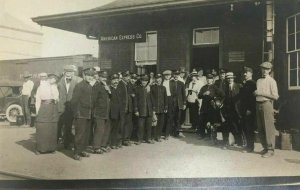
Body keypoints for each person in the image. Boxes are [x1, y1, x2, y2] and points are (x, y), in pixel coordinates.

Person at [255, 62, 279, 158]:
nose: (264, 71)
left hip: (266, 104)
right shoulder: (258, 81)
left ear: (270, 70)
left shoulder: (272, 81)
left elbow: (275, 97)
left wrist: (261, 93)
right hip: (258, 104)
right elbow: (258, 94)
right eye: (262, 69)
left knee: (268, 127)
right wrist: (256, 94)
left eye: (266, 69)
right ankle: (265, 147)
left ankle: (270, 149)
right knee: (260, 127)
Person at [71, 68, 95, 160]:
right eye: (88, 75)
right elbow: (74, 101)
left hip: (88, 114)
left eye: (92, 76)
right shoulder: (79, 86)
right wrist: (77, 113)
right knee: (79, 134)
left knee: (86, 134)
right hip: (81, 114)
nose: (90, 77)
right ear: (84, 75)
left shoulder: (89, 86)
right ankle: (76, 153)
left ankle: (82, 150)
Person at [35, 73, 59, 154]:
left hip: (52, 108)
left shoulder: (54, 87)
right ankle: (40, 149)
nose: (53, 81)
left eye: (54, 80)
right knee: (42, 128)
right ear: (48, 79)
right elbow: (38, 100)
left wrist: (55, 98)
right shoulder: (41, 87)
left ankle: (51, 148)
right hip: (44, 108)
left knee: (52, 128)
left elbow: (56, 98)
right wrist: (37, 111)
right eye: (51, 79)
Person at [57, 65, 78, 149]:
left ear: (73, 73)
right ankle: (54, 143)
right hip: (60, 107)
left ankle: (66, 144)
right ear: (64, 72)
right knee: (58, 125)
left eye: (71, 72)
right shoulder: (59, 81)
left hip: (70, 107)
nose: (69, 74)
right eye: (67, 72)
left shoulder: (76, 82)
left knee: (68, 126)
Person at [198, 74, 225, 139]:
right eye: (207, 79)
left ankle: (211, 136)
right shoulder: (203, 87)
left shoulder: (215, 87)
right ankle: (202, 135)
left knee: (211, 122)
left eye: (210, 79)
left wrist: (216, 100)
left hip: (211, 107)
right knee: (202, 121)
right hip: (204, 107)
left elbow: (223, 95)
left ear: (212, 80)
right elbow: (199, 96)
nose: (208, 80)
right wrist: (204, 94)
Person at [92, 71, 111, 154]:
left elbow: (110, 98)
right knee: (99, 130)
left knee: (106, 129)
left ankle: (103, 145)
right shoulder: (96, 86)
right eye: (102, 77)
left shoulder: (106, 86)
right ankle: (96, 147)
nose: (104, 79)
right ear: (99, 77)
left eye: (105, 77)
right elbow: (93, 100)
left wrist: (109, 91)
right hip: (99, 112)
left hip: (106, 112)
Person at [223, 72, 244, 148]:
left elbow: (242, 98)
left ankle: (240, 142)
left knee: (238, 126)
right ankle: (230, 141)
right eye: (228, 78)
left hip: (237, 110)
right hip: (229, 110)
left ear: (233, 78)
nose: (230, 80)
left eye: (231, 78)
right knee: (230, 126)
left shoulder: (239, 86)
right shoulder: (225, 87)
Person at [239, 67, 257, 153]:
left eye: (247, 72)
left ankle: (250, 147)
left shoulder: (253, 84)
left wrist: (250, 109)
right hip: (244, 109)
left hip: (249, 110)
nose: (245, 74)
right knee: (245, 128)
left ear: (251, 73)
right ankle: (248, 145)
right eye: (244, 72)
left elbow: (253, 98)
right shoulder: (246, 83)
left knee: (249, 129)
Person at [134, 75, 155, 144]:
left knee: (149, 126)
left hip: (149, 110)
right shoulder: (137, 89)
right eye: (143, 81)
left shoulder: (150, 89)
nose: (144, 82)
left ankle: (148, 138)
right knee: (140, 126)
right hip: (141, 110)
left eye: (145, 81)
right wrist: (136, 110)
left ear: (147, 82)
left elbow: (153, 99)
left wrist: (153, 109)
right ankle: (139, 139)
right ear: (141, 81)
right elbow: (135, 100)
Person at [151, 74, 168, 142]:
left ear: (161, 79)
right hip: (155, 108)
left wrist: (166, 107)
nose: (159, 80)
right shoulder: (152, 87)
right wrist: (153, 108)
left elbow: (165, 98)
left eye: (160, 78)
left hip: (162, 108)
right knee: (154, 123)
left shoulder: (163, 88)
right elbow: (151, 98)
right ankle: (152, 137)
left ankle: (158, 136)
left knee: (161, 123)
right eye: (157, 78)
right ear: (155, 79)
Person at [118, 71, 133, 146]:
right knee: (121, 124)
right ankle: (119, 140)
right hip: (122, 108)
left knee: (127, 124)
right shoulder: (120, 84)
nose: (128, 78)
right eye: (126, 76)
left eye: (129, 76)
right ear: (123, 77)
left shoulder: (129, 84)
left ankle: (126, 139)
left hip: (129, 107)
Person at [171, 71, 186, 137]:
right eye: (175, 74)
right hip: (172, 103)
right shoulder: (170, 82)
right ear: (173, 75)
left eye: (177, 74)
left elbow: (184, 94)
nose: (176, 76)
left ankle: (178, 131)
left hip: (179, 103)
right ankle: (173, 132)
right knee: (172, 117)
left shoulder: (181, 83)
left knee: (179, 118)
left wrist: (184, 103)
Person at [109, 74, 122, 149]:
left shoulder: (119, 89)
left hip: (119, 113)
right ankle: (111, 143)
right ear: (111, 81)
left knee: (117, 128)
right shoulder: (109, 89)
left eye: (117, 80)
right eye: (114, 80)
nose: (116, 81)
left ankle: (116, 142)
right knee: (111, 128)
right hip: (112, 112)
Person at [162, 70, 174, 140]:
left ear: (170, 76)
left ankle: (167, 133)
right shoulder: (162, 82)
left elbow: (175, 93)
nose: (167, 76)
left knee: (169, 116)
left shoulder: (172, 83)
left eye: (168, 75)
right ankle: (162, 132)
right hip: (163, 99)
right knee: (163, 116)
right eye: (166, 75)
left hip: (170, 99)